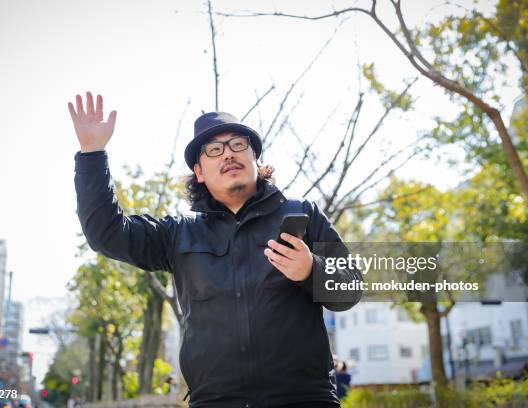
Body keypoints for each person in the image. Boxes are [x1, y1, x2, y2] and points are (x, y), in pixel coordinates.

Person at [69, 91, 363, 408]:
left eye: (238, 145)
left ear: (256, 158)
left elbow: (350, 289)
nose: (228, 154)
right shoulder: (178, 233)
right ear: (199, 171)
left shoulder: (302, 215)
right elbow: (107, 234)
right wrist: (92, 154)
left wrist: (311, 270)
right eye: (214, 149)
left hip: (305, 400)